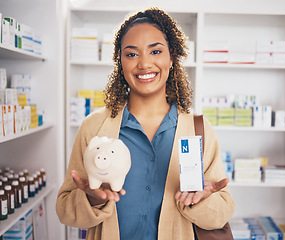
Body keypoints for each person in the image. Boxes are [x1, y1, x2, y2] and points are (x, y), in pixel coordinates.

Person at [56, 7, 235, 240]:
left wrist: (200, 201)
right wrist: (92, 199)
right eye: (131, 54)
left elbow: (222, 212)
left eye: (155, 51)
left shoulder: (198, 129)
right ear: (120, 63)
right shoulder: (94, 128)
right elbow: (65, 211)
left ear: (172, 58)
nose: (144, 64)